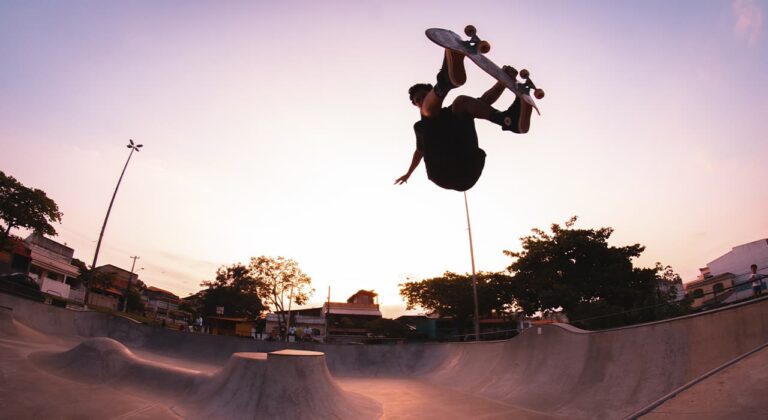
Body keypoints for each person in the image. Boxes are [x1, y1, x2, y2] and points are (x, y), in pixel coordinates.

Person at [395, 49, 535, 192]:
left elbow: (485, 101)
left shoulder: (453, 112)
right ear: (415, 105)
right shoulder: (420, 127)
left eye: (424, 96)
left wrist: (503, 81)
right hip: (442, 172)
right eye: (418, 100)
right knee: (428, 118)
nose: (421, 101)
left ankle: (509, 121)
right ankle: (445, 82)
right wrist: (409, 173)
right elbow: (419, 151)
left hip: (468, 167)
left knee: (462, 102)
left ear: (430, 92)